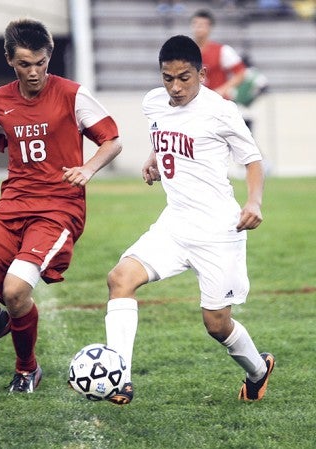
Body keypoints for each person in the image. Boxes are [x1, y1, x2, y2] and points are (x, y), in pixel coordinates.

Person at [0, 18, 122, 394]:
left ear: (48, 57)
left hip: (58, 209)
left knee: (16, 289)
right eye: (24, 64)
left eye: (40, 63)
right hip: (13, 205)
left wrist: (87, 168)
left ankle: (26, 369)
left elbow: (112, 140)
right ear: (9, 60)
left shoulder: (72, 94)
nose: (34, 72)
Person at [104, 35, 274, 405]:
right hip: (174, 223)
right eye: (168, 78)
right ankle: (119, 378)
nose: (176, 87)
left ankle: (258, 370)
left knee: (216, 324)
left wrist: (255, 202)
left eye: (185, 77)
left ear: (202, 73)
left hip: (218, 230)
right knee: (120, 279)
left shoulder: (221, 111)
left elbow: (253, 160)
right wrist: (154, 157)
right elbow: (163, 133)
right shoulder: (153, 102)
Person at [190, 9, 246, 101]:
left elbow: (240, 73)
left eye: (202, 24)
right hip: (195, 102)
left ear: (210, 27)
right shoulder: (185, 52)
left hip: (218, 102)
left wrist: (223, 89)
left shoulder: (223, 50)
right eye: (195, 24)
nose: (198, 27)